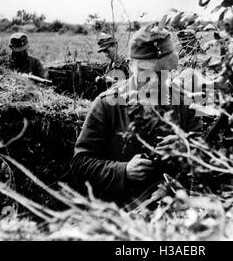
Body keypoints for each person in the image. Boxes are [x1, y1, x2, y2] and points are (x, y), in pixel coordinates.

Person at [71, 24, 201, 207]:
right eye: (145, 72)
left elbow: (207, 155)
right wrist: (123, 171)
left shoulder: (182, 101)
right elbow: (80, 164)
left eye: (161, 72)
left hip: (174, 207)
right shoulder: (107, 104)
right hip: (122, 211)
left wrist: (185, 146)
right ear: (132, 66)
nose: (154, 80)